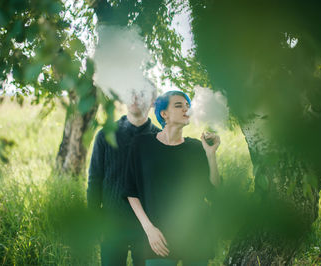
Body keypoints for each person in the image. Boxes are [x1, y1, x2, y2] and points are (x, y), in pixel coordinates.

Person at [123, 91, 221, 266]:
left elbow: (212, 189)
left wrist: (210, 155)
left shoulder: (196, 148)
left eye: (187, 106)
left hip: (195, 235)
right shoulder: (141, 144)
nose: (186, 110)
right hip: (159, 237)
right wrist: (149, 229)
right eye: (179, 105)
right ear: (164, 114)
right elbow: (131, 191)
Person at [87, 88, 160, 266]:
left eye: (142, 93)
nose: (135, 97)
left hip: (147, 228)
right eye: (131, 92)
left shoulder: (160, 139)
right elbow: (94, 180)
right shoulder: (105, 134)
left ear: (153, 102)